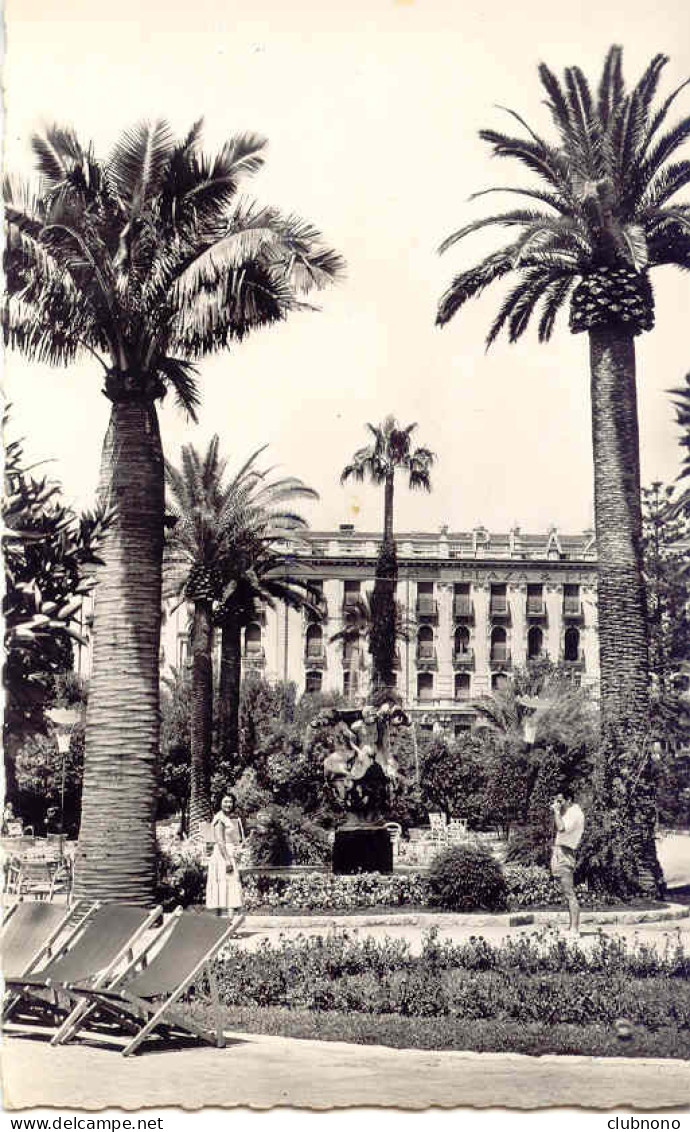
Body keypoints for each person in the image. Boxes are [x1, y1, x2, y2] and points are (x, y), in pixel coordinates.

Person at [550, 788, 585, 936]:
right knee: (566, 892)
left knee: (569, 893)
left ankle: (575, 929)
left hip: (565, 853)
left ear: (569, 800)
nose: (558, 804)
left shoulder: (575, 814)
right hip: (561, 852)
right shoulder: (571, 813)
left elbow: (562, 828)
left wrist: (556, 812)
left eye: (561, 801)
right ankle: (572, 927)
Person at [205, 794, 244, 916]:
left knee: (230, 888)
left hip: (229, 854)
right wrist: (227, 860)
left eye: (230, 802)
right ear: (220, 803)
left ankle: (230, 924)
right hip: (222, 856)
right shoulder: (219, 818)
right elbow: (220, 841)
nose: (228, 804)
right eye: (225, 801)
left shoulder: (228, 818)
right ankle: (226, 924)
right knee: (225, 887)